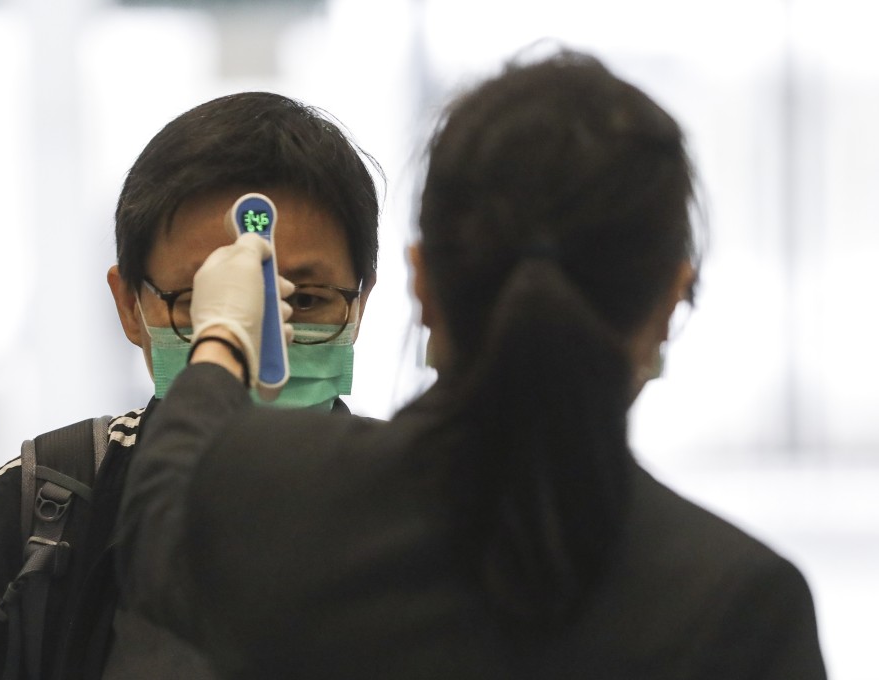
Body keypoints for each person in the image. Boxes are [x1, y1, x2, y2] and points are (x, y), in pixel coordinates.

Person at [116, 48, 828, 679]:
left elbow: (160, 513)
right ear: (672, 297)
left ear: (419, 281)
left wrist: (223, 339)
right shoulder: (740, 601)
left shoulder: (279, 502)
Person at [0, 91, 381, 680]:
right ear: (130, 306)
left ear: (361, 302)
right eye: (204, 304)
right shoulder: (40, 511)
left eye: (302, 301)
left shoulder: (432, 502)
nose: (263, 344)